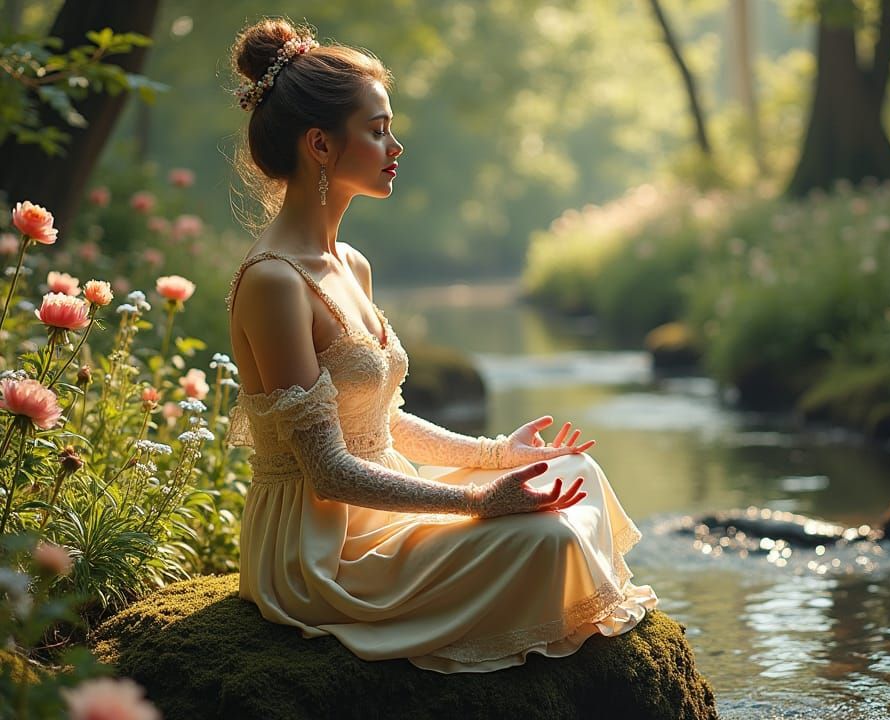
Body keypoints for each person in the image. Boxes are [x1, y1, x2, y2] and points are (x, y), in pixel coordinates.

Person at [224, 17, 657, 673]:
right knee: (544, 542)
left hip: (382, 498)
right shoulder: (274, 284)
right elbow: (327, 471)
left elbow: (382, 423)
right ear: (319, 144)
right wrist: (480, 501)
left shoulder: (351, 264)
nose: (395, 145)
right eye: (376, 130)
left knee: (575, 476)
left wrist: (496, 456)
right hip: (320, 549)